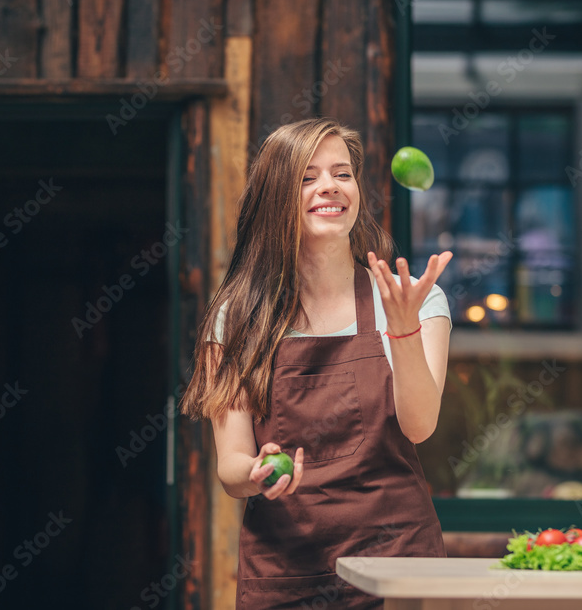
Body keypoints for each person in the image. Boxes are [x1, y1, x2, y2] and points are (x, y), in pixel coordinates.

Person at [180, 118, 453, 609]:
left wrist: (404, 327)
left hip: (397, 567)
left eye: (342, 173)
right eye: (307, 177)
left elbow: (419, 425)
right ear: (276, 197)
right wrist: (259, 471)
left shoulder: (413, 299)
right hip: (287, 571)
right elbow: (231, 467)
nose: (329, 186)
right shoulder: (237, 318)